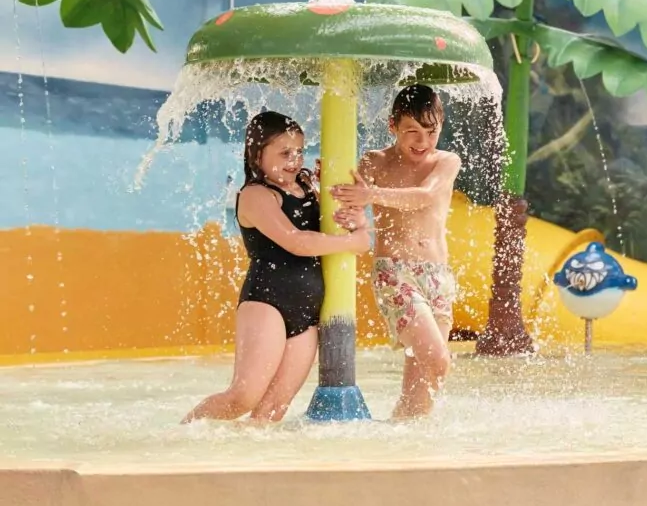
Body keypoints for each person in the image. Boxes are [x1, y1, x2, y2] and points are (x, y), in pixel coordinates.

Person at [182, 111, 371, 424]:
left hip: (307, 313)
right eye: (284, 153)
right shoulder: (256, 195)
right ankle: (182, 437)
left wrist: (355, 214)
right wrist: (355, 242)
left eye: (299, 151)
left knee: (273, 410)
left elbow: (342, 227)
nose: (294, 160)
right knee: (243, 397)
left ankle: (246, 465)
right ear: (258, 155)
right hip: (267, 303)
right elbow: (297, 242)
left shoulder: (309, 190)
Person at [332, 85, 460, 419]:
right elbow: (357, 209)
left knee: (423, 383)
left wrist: (370, 195)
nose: (422, 142)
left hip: (438, 277)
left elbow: (425, 196)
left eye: (431, 132)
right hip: (395, 272)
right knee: (438, 360)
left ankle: (403, 441)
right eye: (412, 132)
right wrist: (352, 212)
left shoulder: (446, 162)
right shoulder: (375, 161)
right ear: (393, 126)